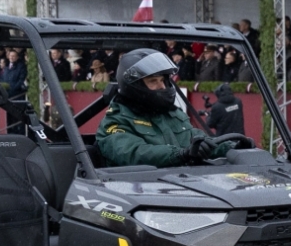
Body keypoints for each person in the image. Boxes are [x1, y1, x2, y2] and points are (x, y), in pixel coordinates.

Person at [98, 50, 248, 167]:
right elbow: (134, 153)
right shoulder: (116, 121)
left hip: (182, 186)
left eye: (163, 80)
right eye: (153, 81)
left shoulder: (171, 114)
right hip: (140, 193)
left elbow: (197, 140)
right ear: (134, 86)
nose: (162, 86)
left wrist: (233, 147)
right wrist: (180, 154)